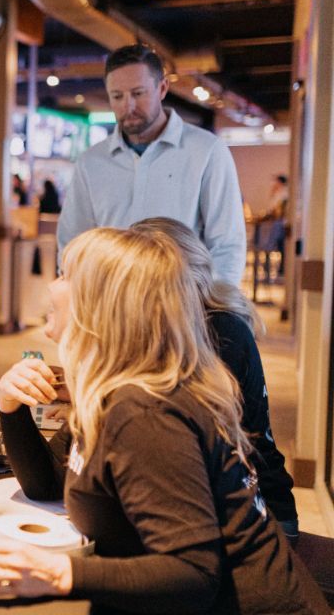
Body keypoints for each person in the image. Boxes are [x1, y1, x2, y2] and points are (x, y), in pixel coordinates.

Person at [0, 228, 325, 613]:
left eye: (66, 274)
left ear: (100, 304)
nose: (52, 284)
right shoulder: (115, 388)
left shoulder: (145, 413)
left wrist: (60, 574)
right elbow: (48, 484)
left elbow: (193, 573)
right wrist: (10, 405)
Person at [131, 216, 298, 537]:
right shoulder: (178, 326)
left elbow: (184, 434)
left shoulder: (222, 330)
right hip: (220, 500)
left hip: (261, 511)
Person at [57, 44, 247, 284]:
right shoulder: (91, 162)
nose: (128, 106)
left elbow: (227, 245)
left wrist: (215, 312)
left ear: (162, 88)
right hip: (110, 307)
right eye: (117, 96)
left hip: (183, 307)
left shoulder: (207, 151)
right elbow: (73, 244)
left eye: (138, 93)